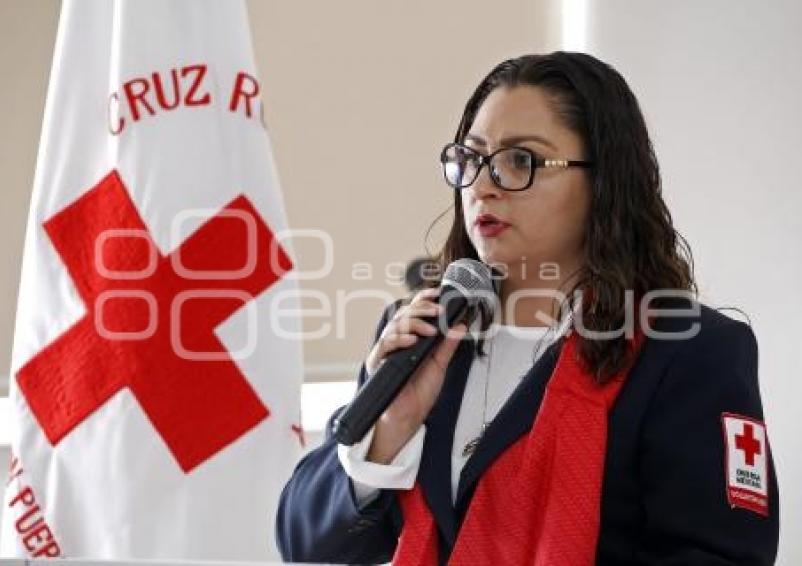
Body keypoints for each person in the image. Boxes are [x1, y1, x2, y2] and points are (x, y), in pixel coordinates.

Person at [275, 51, 780, 565]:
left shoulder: (687, 350)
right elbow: (305, 543)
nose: (483, 185)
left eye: (522, 161)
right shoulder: (424, 333)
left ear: (603, 180)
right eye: (470, 159)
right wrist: (387, 435)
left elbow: (723, 556)